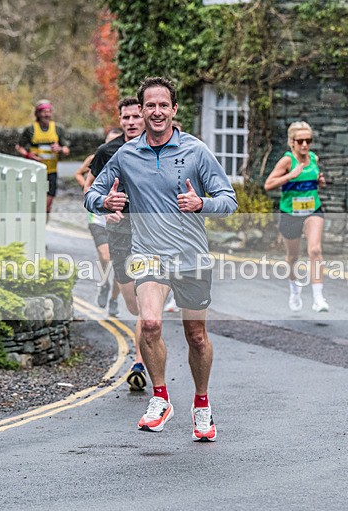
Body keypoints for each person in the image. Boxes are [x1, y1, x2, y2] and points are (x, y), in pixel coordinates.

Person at [85, 77, 238, 442]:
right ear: (141, 110)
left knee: (196, 336)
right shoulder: (126, 155)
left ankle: (201, 404)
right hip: (148, 254)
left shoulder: (196, 151)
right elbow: (91, 194)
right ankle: (160, 398)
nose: (156, 112)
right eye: (149, 106)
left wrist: (201, 203)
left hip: (190, 256)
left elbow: (229, 200)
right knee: (150, 323)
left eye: (162, 105)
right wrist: (105, 202)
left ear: (174, 109)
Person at [84, 97, 147, 390]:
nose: (131, 122)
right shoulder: (108, 152)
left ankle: (140, 363)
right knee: (133, 306)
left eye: (136, 116)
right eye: (126, 117)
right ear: (120, 120)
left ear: (145, 117)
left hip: (152, 237)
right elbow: (89, 190)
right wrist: (104, 206)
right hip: (120, 234)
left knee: (148, 308)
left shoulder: (160, 149)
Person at [264, 121, 329, 313]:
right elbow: (268, 185)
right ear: (292, 142)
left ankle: (318, 298)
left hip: (312, 210)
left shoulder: (313, 158)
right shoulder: (287, 161)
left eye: (308, 140)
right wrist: (290, 175)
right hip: (290, 214)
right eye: (300, 141)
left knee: (315, 250)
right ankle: (294, 288)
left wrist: (320, 181)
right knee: (293, 257)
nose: (305, 145)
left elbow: (314, 181)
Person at [75, 128, 124, 314]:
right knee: (105, 256)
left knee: (120, 264)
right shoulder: (97, 157)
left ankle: (114, 299)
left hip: (120, 217)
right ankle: (104, 284)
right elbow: (80, 175)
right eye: (109, 142)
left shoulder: (129, 159)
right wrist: (92, 193)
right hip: (99, 216)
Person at [15, 100, 71, 222]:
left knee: (47, 203)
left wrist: (60, 149)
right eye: (44, 112)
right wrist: (28, 155)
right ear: (38, 113)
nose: (47, 114)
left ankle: (43, 225)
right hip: (34, 171)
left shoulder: (58, 129)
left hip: (51, 171)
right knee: (35, 200)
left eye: (49, 112)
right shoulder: (30, 129)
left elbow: (67, 150)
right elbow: (19, 147)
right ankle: (33, 222)